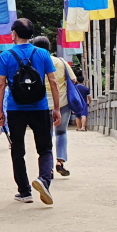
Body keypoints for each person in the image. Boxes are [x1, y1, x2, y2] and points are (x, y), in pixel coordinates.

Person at [0, 18, 62, 205]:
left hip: (15, 109)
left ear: (13, 34)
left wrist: (0, 111)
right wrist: (56, 108)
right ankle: (44, 180)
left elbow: (0, 84)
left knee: (17, 150)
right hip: (40, 107)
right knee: (45, 148)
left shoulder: (6, 56)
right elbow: (53, 82)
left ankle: (24, 192)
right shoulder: (42, 54)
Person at [31, 36, 75, 177]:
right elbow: (73, 80)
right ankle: (60, 161)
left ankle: (47, 166)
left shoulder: (33, 62)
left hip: (42, 104)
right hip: (62, 103)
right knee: (61, 133)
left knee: (46, 135)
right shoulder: (61, 62)